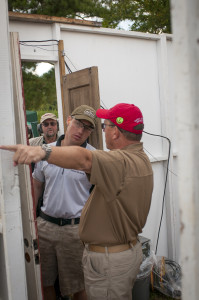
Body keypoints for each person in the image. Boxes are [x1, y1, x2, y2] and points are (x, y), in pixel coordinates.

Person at [0, 103, 154, 300]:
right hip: (117, 252)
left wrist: (42, 152)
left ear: (115, 132)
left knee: (80, 289)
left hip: (109, 259)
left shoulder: (119, 161)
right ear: (69, 120)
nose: (103, 130)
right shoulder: (140, 160)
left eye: (104, 126)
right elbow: (38, 184)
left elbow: (85, 159)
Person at [33, 105, 96, 300]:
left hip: (74, 230)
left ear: (91, 132)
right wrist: (33, 221)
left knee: (78, 285)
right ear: (68, 120)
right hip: (45, 227)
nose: (80, 131)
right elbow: (37, 186)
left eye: (87, 128)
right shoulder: (46, 151)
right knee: (45, 282)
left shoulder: (94, 157)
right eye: (78, 123)